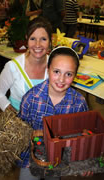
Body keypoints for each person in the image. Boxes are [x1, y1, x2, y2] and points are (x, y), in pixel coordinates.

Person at [18, 46, 89, 180]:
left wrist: (83, 159)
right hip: (31, 158)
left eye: (68, 74)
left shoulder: (78, 103)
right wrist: (25, 158)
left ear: (75, 75)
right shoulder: (31, 98)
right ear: (47, 69)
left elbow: (84, 134)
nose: (61, 79)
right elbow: (21, 130)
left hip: (58, 159)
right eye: (56, 71)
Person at [0, 16, 52, 112]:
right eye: (33, 38)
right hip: (19, 122)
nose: (37, 44)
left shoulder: (55, 66)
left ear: (50, 41)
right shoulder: (13, 67)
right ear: (27, 39)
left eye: (43, 39)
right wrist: (13, 115)